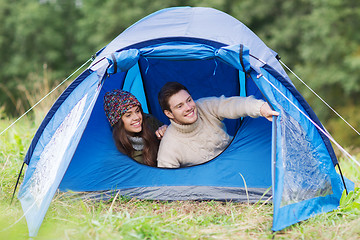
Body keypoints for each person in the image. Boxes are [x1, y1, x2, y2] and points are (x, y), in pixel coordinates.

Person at [157, 82, 279, 168]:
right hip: (214, 183)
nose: (189, 107)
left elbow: (233, 105)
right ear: (169, 113)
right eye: (180, 106)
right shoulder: (169, 145)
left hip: (237, 159)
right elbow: (167, 182)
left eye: (189, 100)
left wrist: (261, 108)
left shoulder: (205, 106)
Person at [104, 89, 167, 167]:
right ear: (117, 121)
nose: (137, 117)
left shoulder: (149, 122)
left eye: (137, 111)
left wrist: (167, 131)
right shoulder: (114, 148)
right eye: (128, 115)